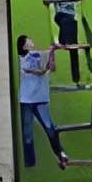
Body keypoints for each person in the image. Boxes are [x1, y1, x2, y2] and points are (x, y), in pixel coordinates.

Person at [17, 34, 69, 169]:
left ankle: (60, 153)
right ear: (24, 46)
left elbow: (52, 66)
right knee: (27, 135)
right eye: (28, 41)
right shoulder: (22, 60)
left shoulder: (37, 54)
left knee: (50, 128)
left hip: (40, 100)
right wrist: (49, 58)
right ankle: (30, 163)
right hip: (26, 101)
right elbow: (40, 72)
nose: (32, 41)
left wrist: (53, 50)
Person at [43, 0, 85, 79]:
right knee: (67, 25)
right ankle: (63, 44)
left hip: (69, 14)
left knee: (70, 36)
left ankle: (75, 74)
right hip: (61, 13)